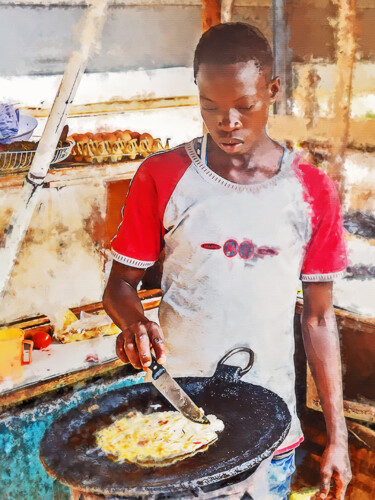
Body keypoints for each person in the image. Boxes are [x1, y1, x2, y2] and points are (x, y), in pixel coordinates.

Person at [103, 22, 352, 499]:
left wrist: (337, 436)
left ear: (272, 91)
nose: (227, 123)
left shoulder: (312, 190)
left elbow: (319, 319)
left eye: (244, 105)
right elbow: (120, 286)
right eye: (210, 107)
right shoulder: (163, 175)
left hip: (270, 429)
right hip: (178, 423)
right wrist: (133, 323)